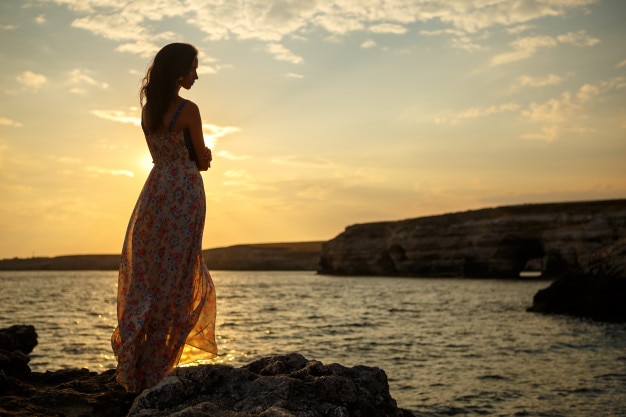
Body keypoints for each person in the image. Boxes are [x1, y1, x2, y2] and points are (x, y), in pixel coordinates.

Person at [111, 42, 217, 393]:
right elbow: (200, 160)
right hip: (185, 192)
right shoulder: (189, 110)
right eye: (193, 68)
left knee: (150, 274)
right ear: (178, 72)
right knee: (179, 275)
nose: (196, 75)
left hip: (155, 192)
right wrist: (206, 156)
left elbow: (158, 153)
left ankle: (139, 364)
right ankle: (159, 367)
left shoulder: (147, 111)